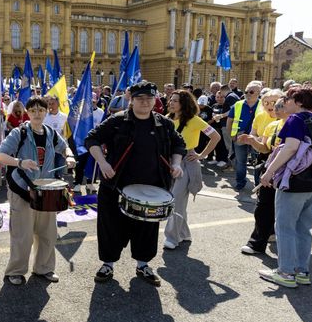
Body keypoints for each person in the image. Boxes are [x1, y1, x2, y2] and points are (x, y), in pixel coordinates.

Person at [85, 81, 185, 287]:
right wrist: (103, 163)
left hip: (153, 188)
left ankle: (143, 265)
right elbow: (91, 140)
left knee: (146, 230)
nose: (145, 102)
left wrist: (176, 164)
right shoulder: (118, 121)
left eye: (150, 98)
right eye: (140, 98)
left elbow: (179, 144)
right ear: (131, 100)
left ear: (155, 100)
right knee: (111, 227)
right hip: (116, 186)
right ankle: (108, 265)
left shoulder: (164, 124)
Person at [0, 96, 76, 285]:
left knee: (47, 233)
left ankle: (44, 268)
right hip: (22, 189)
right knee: (23, 235)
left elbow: (65, 148)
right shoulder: (19, 133)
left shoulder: (50, 133)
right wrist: (20, 162)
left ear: (46, 112)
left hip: (46, 190)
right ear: (28, 112)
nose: (37, 113)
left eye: (41, 110)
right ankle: (15, 271)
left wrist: (69, 157)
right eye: (33, 110)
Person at [259, 86, 312, 288]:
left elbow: (290, 147)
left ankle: (286, 272)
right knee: (304, 227)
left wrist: (269, 172)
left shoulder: (295, 119)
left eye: (288, 99)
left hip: (297, 179)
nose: (285, 102)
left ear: (298, 102)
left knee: (285, 226)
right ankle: (301, 271)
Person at [163, 90, 220, 250]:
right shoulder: (167, 118)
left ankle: (172, 238)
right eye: (171, 100)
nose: (171, 103)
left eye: (175, 101)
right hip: (168, 162)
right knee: (177, 200)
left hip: (187, 162)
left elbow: (215, 136)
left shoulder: (194, 120)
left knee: (176, 200)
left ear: (184, 103)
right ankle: (184, 233)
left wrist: (201, 155)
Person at [239, 96, 287, 255]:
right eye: (269, 103)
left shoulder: (296, 125)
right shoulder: (273, 125)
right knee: (262, 207)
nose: (274, 107)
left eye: (278, 104)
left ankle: (289, 253)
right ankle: (257, 243)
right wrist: (252, 141)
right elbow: (265, 149)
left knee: (285, 212)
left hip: (290, 173)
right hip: (270, 170)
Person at [226, 81, 263, 191]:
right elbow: (230, 121)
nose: (248, 94)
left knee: (258, 163)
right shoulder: (238, 104)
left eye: (251, 92)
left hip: (257, 138)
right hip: (240, 137)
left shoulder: (263, 105)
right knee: (240, 162)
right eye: (246, 91)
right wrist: (231, 135)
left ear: (258, 93)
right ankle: (240, 182)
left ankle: (258, 185)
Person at [207, 91, 230, 167]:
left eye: (221, 97)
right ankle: (217, 159)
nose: (219, 99)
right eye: (217, 97)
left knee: (223, 144)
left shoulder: (226, 106)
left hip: (223, 128)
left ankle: (223, 159)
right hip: (215, 128)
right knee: (216, 144)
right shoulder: (214, 106)